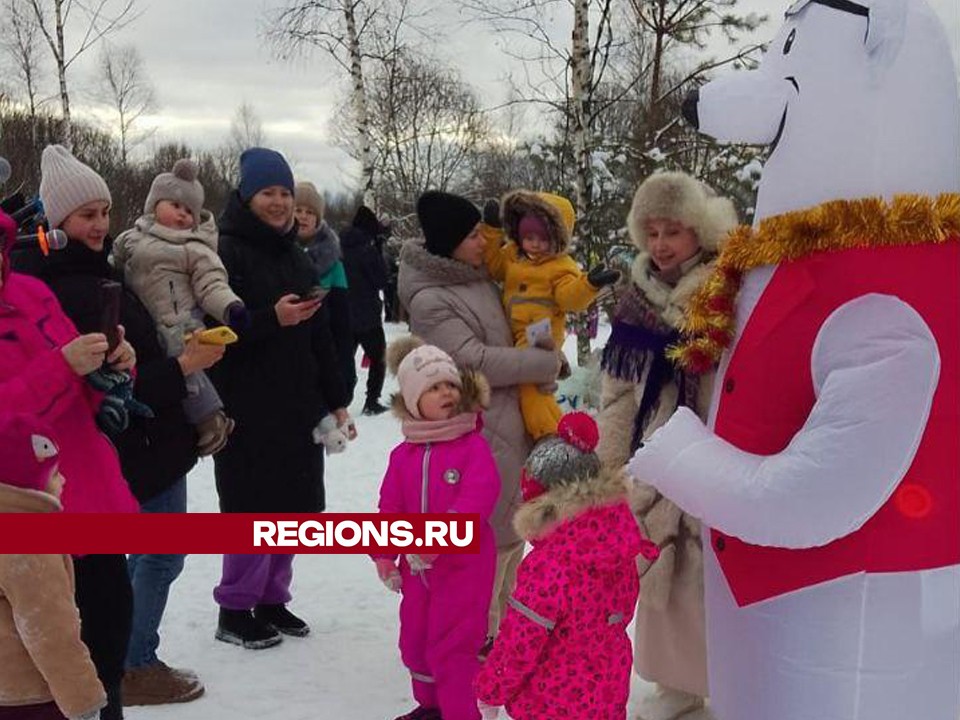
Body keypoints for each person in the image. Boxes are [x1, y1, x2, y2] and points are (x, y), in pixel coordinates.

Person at [1, 148, 139, 720]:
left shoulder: (31, 293)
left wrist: (110, 370)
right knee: (46, 672)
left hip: (89, 492)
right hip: (28, 510)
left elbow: (76, 380)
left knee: (106, 652)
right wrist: (63, 366)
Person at [596, 171, 737, 720]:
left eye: (672, 230)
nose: (660, 244)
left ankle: (727, 673)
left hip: (715, 448)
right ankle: (677, 683)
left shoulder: (727, 285)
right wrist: (611, 463)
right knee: (661, 564)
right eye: (651, 231)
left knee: (712, 572)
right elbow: (616, 392)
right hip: (657, 452)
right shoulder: (636, 298)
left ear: (697, 229)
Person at [398, 190, 559, 656]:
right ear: (450, 242)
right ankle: (475, 640)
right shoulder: (431, 299)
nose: (482, 241)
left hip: (510, 424)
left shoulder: (479, 277)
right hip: (478, 432)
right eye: (471, 235)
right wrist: (541, 365)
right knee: (487, 543)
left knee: (512, 538)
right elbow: (472, 361)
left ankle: (502, 633)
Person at [209, 147, 352, 649]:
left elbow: (322, 337)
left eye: (286, 193)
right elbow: (214, 332)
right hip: (246, 403)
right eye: (268, 192)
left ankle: (271, 598)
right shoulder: (224, 251)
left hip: (298, 404)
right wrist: (272, 318)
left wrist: (336, 399)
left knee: (291, 508)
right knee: (251, 508)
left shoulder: (296, 254)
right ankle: (234, 607)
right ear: (247, 196)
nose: (279, 202)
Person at [475, 412, 658, 720]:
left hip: (552, 698)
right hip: (607, 686)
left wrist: (490, 688)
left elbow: (521, 641)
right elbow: (621, 611)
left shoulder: (550, 565)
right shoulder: (618, 544)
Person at [372, 337, 499, 720]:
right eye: (433, 387)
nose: (446, 392)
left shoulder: (472, 447)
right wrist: (383, 555)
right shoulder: (403, 455)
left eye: (450, 385)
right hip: (417, 572)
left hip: (463, 569)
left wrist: (437, 539)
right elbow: (389, 509)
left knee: (453, 647)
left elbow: (478, 498)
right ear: (413, 401)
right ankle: (430, 707)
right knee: (415, 641)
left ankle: (460, 714)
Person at [112, 158, 245, 456]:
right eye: (175, 205)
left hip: (179, 319)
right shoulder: (132, 237)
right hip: (141, 316)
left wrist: (230, 307)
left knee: (183, 362)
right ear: (154, 204)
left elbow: (211, 283)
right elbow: (114, 263)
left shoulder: (194, 247)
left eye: (189, 211)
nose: (183, 215)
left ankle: (210, 418)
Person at [480, 191, 619, 440]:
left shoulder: (561, 266)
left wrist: (589, 285)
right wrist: (491, 231)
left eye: (542, 239)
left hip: (540, 336)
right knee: (529, 389)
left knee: (531, 387)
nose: (534, 244)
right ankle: (556, 430)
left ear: (556, 239)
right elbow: (493, 265)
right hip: (510, 331)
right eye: (528, 237)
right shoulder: (512, 255)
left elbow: (569, 297)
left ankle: (547, 435)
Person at [0, 412, 107, 720]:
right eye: (55, 474)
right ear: (27, 486)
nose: (64, 480)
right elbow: (50, 630)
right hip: (29, 697)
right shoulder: (28, 543)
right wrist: (83, 700)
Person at [294, 180, 355, 396]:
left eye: (309, 212)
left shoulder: (334, 263)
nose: (303, 216)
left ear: (318, 218)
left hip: (324, 355)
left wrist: (345, 372)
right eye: (297, 210)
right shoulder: (275, 254)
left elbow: (343, 323)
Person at [340, 204, 390, 414]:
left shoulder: (338, 246)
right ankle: (371, 401)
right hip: (367, 315)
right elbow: (381, 279)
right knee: (379, 359)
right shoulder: (367, 250)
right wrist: (378, 250)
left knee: (343, 361)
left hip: (343, 313)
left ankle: (338, 401)